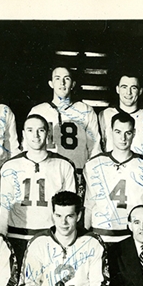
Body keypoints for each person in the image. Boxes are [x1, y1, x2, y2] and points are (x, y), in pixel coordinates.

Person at [0, 114, 77, 264]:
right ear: (23, 134)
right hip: (18, 237)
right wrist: (2, 240)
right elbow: (3, 208)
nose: (35, 135)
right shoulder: (10, 166)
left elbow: (71, 211)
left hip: (51, 237)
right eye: (30, 130)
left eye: (40, 130)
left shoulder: (64, 165)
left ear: (48, 133)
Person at [84, 111, 143, 243]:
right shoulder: (94, 165)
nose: (123, 138)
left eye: (128, 133)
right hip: (101, 234)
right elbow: (89, 205)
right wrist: (85, 237)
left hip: (132, 238)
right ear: (110, 132)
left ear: (134, 134)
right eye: (118, 132)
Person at [28, 66, 102, 197]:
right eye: (57, 78)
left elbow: (95, 149)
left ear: (73, 84)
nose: (62, 83)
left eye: (66, 79)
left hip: (77, 175)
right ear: (51, 83)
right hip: (47, 173)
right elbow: (28, 148)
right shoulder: (38, 111)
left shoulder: (86, 110)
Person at [98, 73, 143, 184]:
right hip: (112, 174)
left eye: (133, 88)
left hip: (142, 176)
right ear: (117, 89)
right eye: (124, 87)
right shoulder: (105, 115)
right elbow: (99, 147)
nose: (128, 92)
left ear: (140, 91)